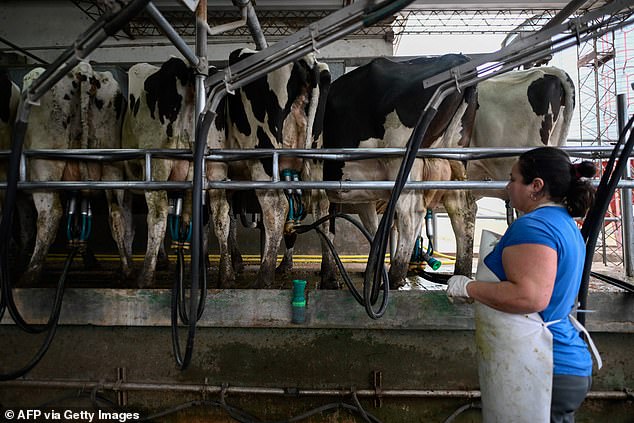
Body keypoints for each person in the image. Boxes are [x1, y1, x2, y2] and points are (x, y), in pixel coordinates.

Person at [446, 146, 599, 423]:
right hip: (559, 363)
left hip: (546, 365)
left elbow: (530, 297)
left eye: (514, 179)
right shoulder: (561, 222)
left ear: (536, 187)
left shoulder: (534, 227)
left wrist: (468, 288)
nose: (508, 186)